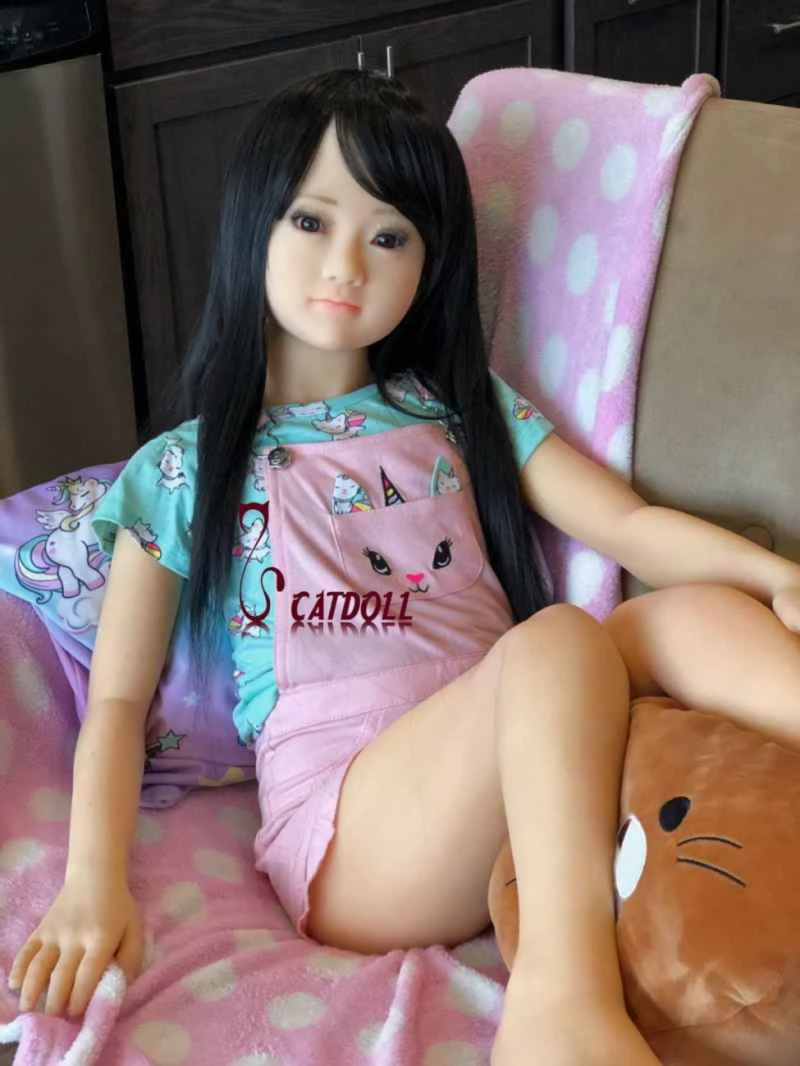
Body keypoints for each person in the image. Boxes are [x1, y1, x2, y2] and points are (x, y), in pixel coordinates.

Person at [8, 68, 800, 1066]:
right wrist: (91, 886)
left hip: (519, 751)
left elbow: (630, 527)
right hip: (354, 837)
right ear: (253, 225)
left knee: (673, 616)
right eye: (311, 221)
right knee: (556, 641)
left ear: (430, 263)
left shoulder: (457, 410)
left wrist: (773, 577)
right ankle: (559, 1007)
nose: (346, 264)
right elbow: (117, 705)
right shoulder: (183, 467)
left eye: (388, 236)